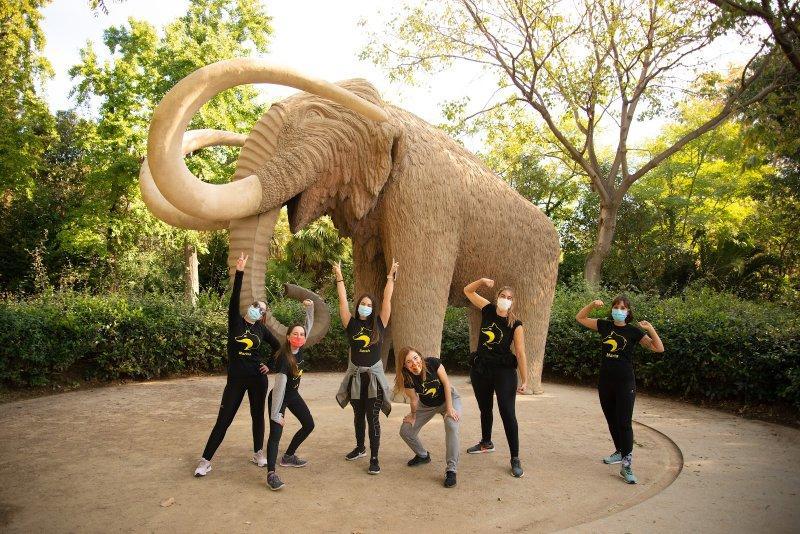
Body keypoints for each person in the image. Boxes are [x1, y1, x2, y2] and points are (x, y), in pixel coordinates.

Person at [194, 252, 280, 477]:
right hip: (235, 380)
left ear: (263, 316)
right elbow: (234, 297)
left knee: (257, 416)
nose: (257, 309)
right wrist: (240, 271)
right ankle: (205, 460)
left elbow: (279, 346)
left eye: (261, 310)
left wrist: (269, 365)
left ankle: (258, 453)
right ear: (250, 306)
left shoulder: (262, 330)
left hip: (257, 379)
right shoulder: (235, 322)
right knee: (224, 420)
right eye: (256, 305)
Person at [576, 296, 665, 484]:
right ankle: (619, 451)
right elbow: (580, 318)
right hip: (605, 382)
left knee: (624, 423)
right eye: (616, 307)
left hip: (625, 383)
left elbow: (658, 348)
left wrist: (650, 329)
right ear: (612, 309)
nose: (619, 310)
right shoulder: (605, 326)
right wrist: (592, 304)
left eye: (623, 308)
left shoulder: (634, 331)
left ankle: (627, 465)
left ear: (628, 311)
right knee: (612, 420)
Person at [334, 260, 398, 475]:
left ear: (373, 308)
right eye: (363, 303)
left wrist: (390, 277)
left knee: (373, 418)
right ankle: (360, 448)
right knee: (358, 416)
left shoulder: (379, 323)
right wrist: (339, 277)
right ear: (358, 305)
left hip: (374, 379)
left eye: (370, 305)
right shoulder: (350, 323)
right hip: (355, 378)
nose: (366, 307)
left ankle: (374, 458)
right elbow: (342, 302)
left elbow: (387, 299)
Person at [463, 278, 528, 478]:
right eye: (502, 296)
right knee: (485, 408)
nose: (505, 299)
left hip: (503, 371)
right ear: (497, 297)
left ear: (513, 302)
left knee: (507, 412)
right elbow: (468, 291)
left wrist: (525, 379)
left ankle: (515, 458)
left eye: (509, 298)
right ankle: (486, 442)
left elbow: (520, 353)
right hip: (481, 369)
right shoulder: (488, 309)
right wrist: (482, 281)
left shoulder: (515, 324)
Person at [265, 301, 315, 491]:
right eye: (295, 334)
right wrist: (276, 414)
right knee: (275, 435)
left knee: (309, 424)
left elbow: (308, 327)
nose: (299, 337)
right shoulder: (283, 358)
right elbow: (279, 388)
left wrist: (309, 309)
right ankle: (271, 474)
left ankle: (288, 456)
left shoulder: (300, 347)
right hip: (279, 398)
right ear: (288, 337)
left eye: (301, 335)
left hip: (293, 395)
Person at [395, 346, 461, 488]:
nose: (414, 363)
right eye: (408, 362)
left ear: (420, 357)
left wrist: (449, 409)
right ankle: (423, 455)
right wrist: (413, 415)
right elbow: (414, 400)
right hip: (427, 405)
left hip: (448, 400)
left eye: (415, 358)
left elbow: (446, 385)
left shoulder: (433, 363)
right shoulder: (407, 377)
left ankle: (451, 470)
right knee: (406, 430)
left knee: (451, 425)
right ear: (404, 366)